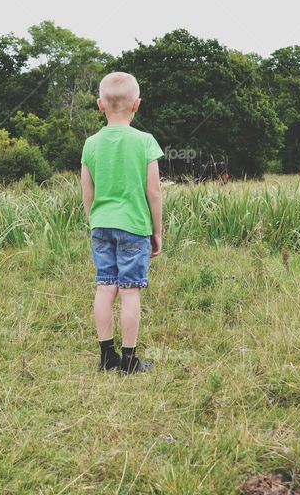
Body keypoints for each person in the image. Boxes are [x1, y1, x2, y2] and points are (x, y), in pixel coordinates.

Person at [80, 72, 164, 373]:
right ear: (136, 105)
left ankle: (106, 356)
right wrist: (158, 231)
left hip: (100, 225)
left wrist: (94, 220)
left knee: (105, 288)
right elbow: (153, 191)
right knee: (129, 291)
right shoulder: (145, 142)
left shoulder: (90, 144)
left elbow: (86, 190)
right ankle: (128, 361)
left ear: (101, 105)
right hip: (134, 226)